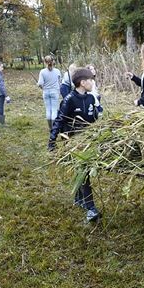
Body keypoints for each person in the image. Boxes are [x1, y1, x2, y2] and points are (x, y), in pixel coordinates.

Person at [48, 68, 101, 222]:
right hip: (73, 142)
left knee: (82, 171)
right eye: (90, 80)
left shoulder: (91, 98)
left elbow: (94, 119)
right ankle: (91, 208)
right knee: (83, 172)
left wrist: (98, 109)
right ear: (82, 83)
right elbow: (59, 120)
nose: (93, 82)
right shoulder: (69, 99)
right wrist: (52, 141)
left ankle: (79, 199)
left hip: (87, 141)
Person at [38, 55, 62, 129]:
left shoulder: (42, 72)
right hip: (55, 92)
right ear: (53, 61)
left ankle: (50, 127)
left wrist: (41, 87)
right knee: (54, 110)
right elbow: (60, 81)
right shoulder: (57, 71)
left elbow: (40, 83)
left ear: (45, 62)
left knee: (48, 109)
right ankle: (54, 128)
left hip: (46, 92)